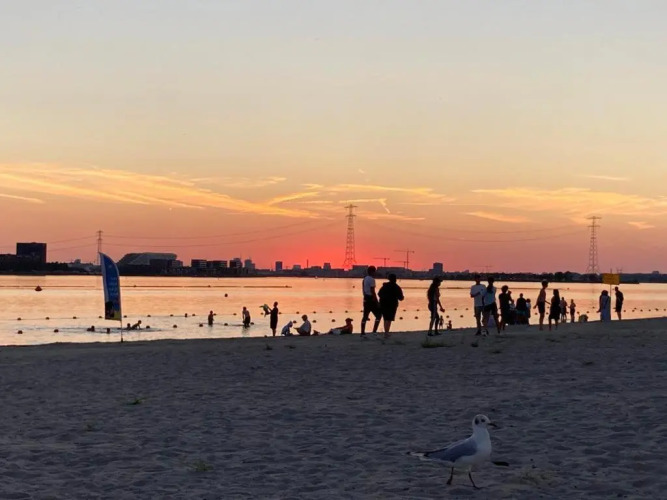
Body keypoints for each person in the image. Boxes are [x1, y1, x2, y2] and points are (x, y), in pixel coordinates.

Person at [378, 273, 404, 337]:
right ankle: (386, 333)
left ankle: (386, 332)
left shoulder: (384, 286)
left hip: (383, 304)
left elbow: (379, 294)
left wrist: (383, 298)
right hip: (392, 305)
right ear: (395, 279)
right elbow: (401, 298)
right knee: (389, 319)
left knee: (385, 318)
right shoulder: (397, 287)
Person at [360, 266, 381, 337]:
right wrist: (376, 301)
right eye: (375, 271)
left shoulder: (364, 279)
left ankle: (362, 332)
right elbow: (373, 291)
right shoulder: (372, 280)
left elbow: (363, 289)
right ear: (372, 272)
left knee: (365, 316)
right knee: (378, 315)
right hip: (371, 299)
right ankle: (374, 331)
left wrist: (364, 297)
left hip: (366, 298)